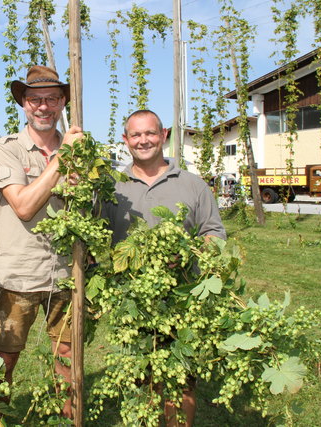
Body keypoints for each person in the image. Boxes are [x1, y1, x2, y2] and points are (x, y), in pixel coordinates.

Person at [103, 109, 226, 427]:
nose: (143, 140)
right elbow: (96, 235)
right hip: (131, 301)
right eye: (136, 135)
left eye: (150, 133)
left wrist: (188, 254)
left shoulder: (193, 185)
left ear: (164, 135)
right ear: (125, 140)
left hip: (182, 299)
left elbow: (213, 233)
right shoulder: (113, 188)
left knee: (180, 378)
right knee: (139, 377)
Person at [0, 65, 82, 418]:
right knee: (5, 359)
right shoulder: (6, 148)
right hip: (18, 275)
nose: (43, 107)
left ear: (62, 104)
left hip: (65, 273)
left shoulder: (81, 151)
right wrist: (62, 159)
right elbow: (24, 206)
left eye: (51, 99)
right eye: (34, 100)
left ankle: (68, 418)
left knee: (67, 357)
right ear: (23, 104)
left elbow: (94, 210)